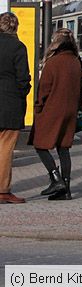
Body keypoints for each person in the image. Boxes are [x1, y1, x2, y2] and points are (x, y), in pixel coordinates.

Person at [28, 28, 82, 201]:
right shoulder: (76, 61)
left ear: (55, 43)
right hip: (70, 110)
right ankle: (65, 190)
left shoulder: (53, 63)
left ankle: (55, 178)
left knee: (40, 144)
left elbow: (44, 88)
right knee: (63, 148)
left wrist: (38, 107)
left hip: (52, 109)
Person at [0, 13, 31, 204]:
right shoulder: (18, 47)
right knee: (5, 148)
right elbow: (23, 78)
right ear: (15, 27)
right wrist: (23, 93)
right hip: (9, 104)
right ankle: (3, 191)